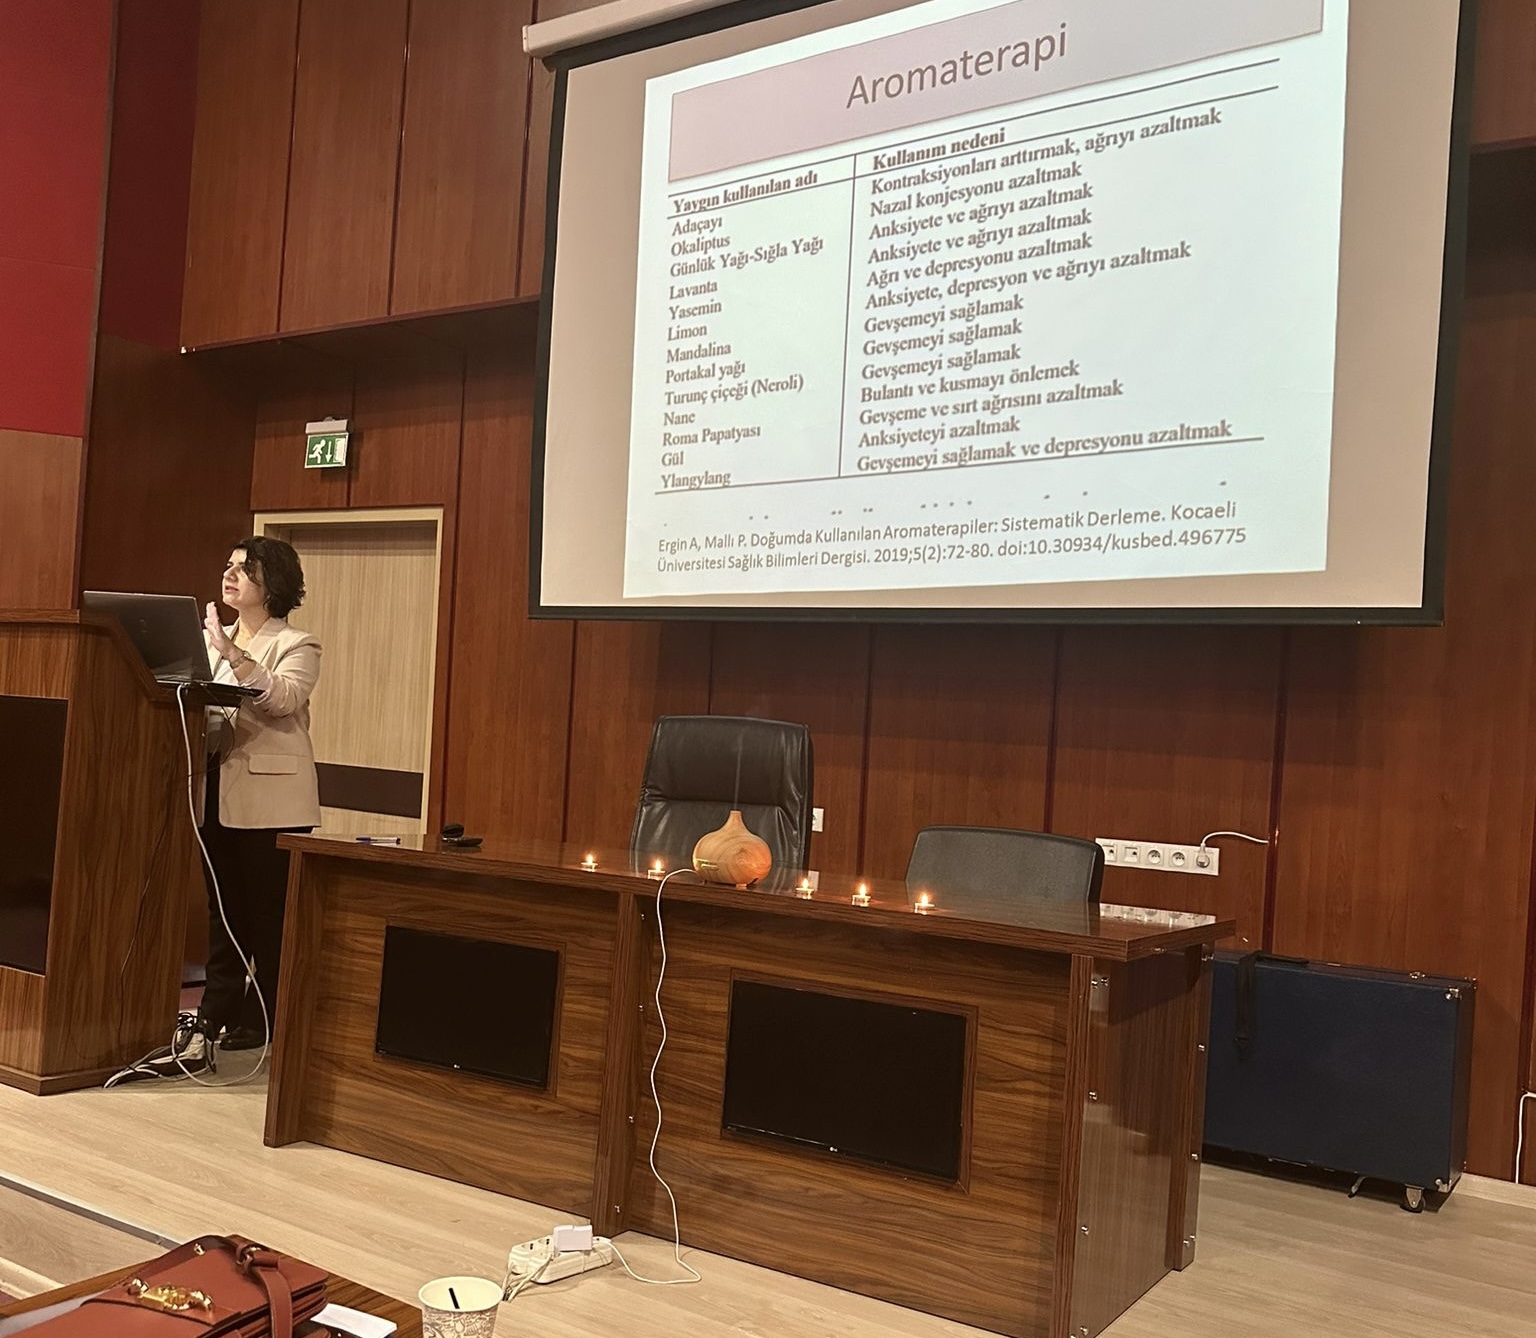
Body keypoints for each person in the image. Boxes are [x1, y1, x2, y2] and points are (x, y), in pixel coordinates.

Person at [184, 536, 322, 1062]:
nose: (230, 574)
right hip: (214, 791)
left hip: (272, 802)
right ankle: (215, 1010)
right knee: (223, 911)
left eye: (244, 568)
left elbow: (282, 699)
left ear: (273, 583)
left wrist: (232, 654)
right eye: (229, 565)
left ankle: (264, 1014)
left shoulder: (297, 644)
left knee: (268, 914)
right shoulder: (210, 641)